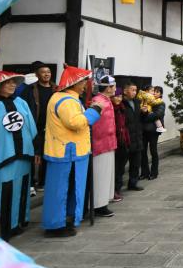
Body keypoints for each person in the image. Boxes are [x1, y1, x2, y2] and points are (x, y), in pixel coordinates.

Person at [43, 65, 102, 237]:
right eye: (83, 82)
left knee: (65, 188)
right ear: (74, 83)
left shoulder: (64, 97)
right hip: (67, 151)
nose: (85, 85)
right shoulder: (67, 101)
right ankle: (56, 225)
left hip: (67, 150)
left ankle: (63, 221)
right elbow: (75, 123)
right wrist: (94, 111)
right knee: (61, 189)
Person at [0, 70, 38, 235]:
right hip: (1, 158)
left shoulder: (21, 103)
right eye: (8, 82)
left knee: (19, 191)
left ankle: (15, 223)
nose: (13, 85)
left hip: (23, 156)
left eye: (14, 82)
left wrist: (35, 150)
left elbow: (31, 128)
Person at [89, 75, 118, 218]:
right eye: (114, 86)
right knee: (100, 175)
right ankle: (98, 205)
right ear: (108, 88)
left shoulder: (106, 101)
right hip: (100, 144)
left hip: (108, 143)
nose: (115, 89)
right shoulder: (98, 101)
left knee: (106, 175)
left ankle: (103, 201)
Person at [22, 61, 55, 190]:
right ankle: (31, 182)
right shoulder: (30, 89)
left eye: (48, 72)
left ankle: (42, 182)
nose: (46, 74)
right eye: (43, 72)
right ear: (37, 75)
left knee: (48, 153)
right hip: (34, 126)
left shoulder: (56, 89)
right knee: (33, 154)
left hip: (51, 127)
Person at [118, 82, 144, 192]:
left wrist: (144, 112)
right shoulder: (121, 103)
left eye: (135, 90)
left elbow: (139, 119)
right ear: (125, 91)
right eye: (132, 90)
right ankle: (117, 187)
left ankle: (133, 183)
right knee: (120, 165)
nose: (135, 92)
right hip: (126, 139)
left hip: (137, 138)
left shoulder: (137, 102)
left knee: (135, 164)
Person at [140, 86, 166, 180]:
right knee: (142, 152)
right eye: (154, 91)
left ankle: (154, 173)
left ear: (161, 94)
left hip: (153, 131)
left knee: (153, 151)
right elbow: (140, 114)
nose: (155, 93)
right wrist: (144, 113)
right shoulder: (146, 101)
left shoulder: (160, 103)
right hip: (144, 130)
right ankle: (144, 173)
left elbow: (157, 115)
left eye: (157, 92)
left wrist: (146, 114)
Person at [110, 88, 128, 203]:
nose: (119, 99)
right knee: (115, 168)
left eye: (120, 96)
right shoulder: (110, 108)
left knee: (121, 167)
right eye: (116, 96)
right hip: (114, 141)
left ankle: (118, 188)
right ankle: (113, 190)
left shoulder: (122, 108)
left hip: (123, 141)